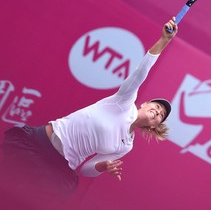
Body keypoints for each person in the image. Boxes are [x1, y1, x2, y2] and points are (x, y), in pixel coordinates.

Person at [0, 18, 178, 207]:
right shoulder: (124, 102)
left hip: (58, 168)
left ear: (154, 126)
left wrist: (102, 167)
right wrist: (163, 41)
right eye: (156, 107)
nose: (156, 112)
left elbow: (86, 169)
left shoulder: (126, 145)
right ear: (144, 104)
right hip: (38, 143)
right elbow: (141, 72)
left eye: (159, 116)